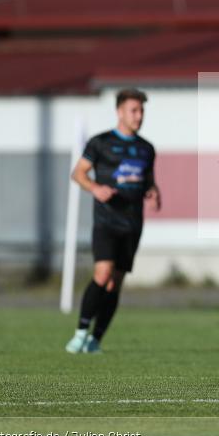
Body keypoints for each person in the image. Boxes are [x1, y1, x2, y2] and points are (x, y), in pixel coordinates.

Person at [64, 88, 160, 354]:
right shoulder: (100, 143)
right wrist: (95, 188)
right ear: (120, 112)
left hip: (133, 224)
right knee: (102, 273)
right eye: (134, 110)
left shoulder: (146, 148)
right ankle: (80, 332)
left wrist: (154, 192)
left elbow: (148, 180)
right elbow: (78, 173)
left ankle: (96, 340)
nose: (139, 116)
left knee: (115, 283)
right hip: (106, 221)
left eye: (141, 111)